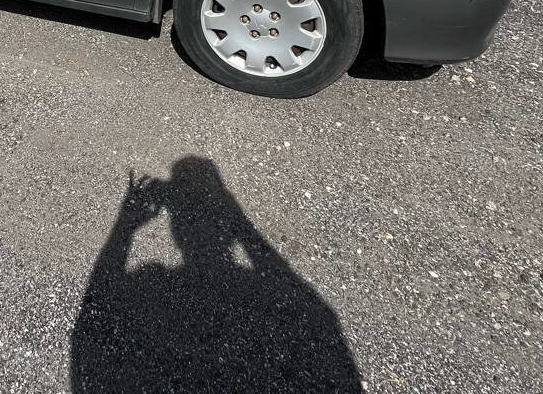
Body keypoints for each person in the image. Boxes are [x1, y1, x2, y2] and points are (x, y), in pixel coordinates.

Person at [71, 157, 362, 392]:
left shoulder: (150, 283)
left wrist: (125, 225)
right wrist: (236, 220)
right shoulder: (305, 314)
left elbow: (95, 302)